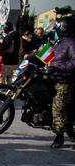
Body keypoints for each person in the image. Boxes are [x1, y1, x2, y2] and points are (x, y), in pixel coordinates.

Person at [48, 15, 75, 148]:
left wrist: (56, 66)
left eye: (58, 27)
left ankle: (59, 137)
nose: (56, 29)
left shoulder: (72, 43)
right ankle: (70, 131)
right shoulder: (60, 42)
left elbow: (73, 64)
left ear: (64, 28)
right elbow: (48, 55)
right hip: (53, 78)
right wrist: (32, 56)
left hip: (64, 81)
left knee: (58, 108)